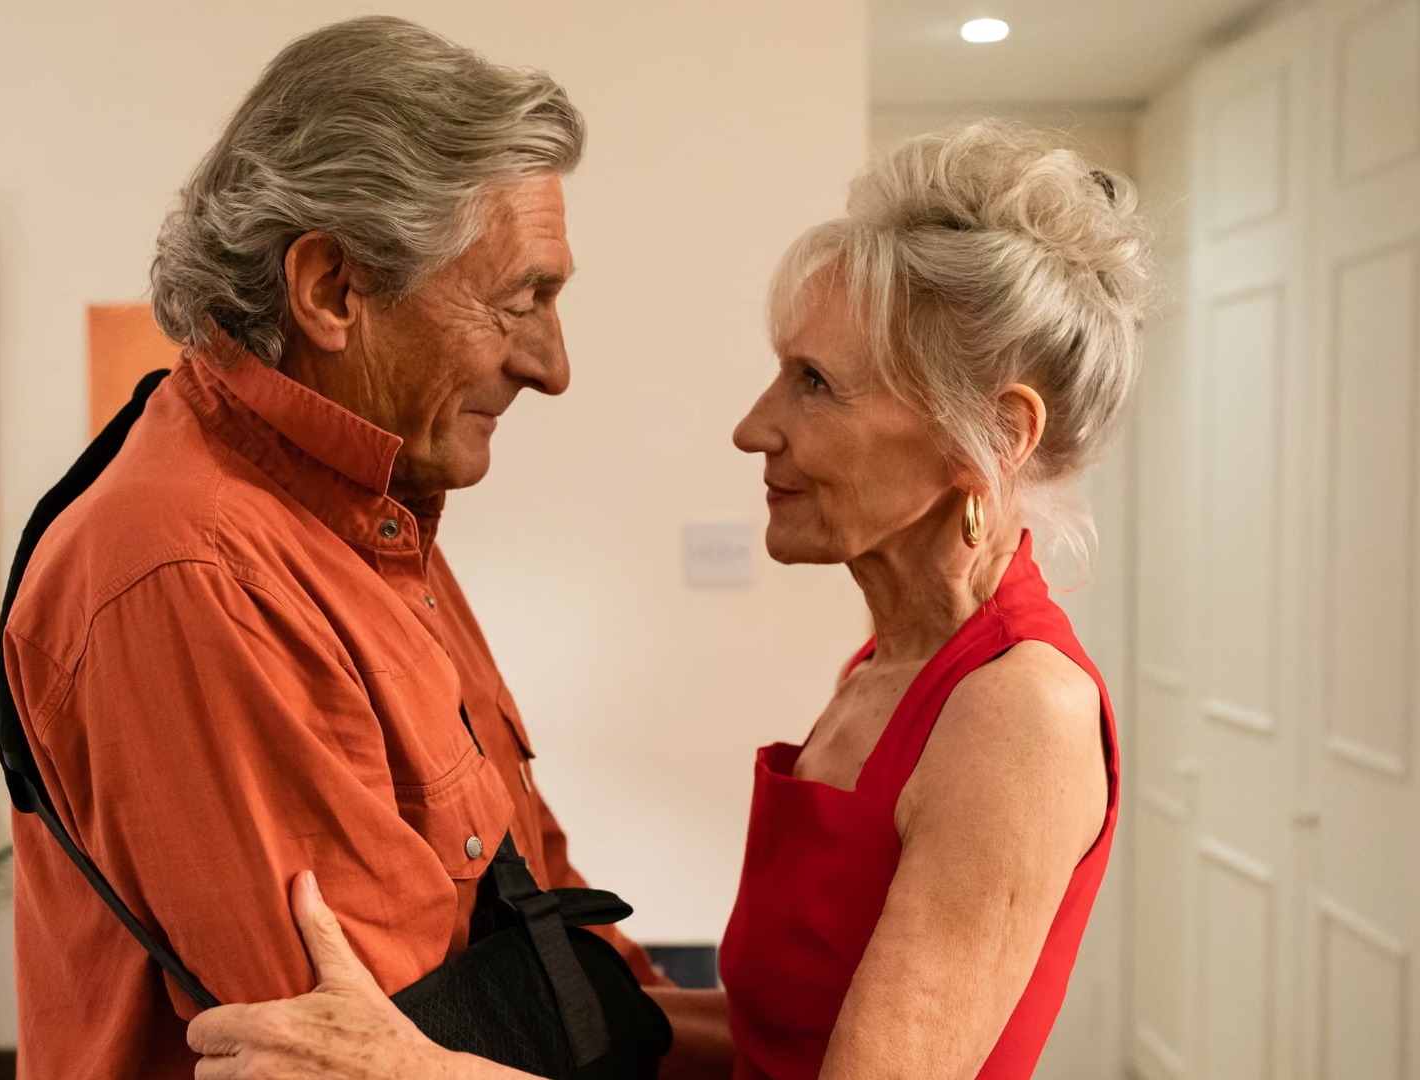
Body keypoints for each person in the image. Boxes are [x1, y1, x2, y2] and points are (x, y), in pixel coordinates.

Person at [186, 122, 1146, 1080]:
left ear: (991, 433)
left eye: (815, 384)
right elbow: (786, 1039)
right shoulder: (886, 667)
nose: (752, 426)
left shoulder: (1021, 714)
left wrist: (410, 1075)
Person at [0, 18, 675, 1080]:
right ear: (332, 290)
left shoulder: (373, 516)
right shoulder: (199, 571)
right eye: (521, 301)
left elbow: (543, 945)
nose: (552, 366)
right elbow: (379, 1051)